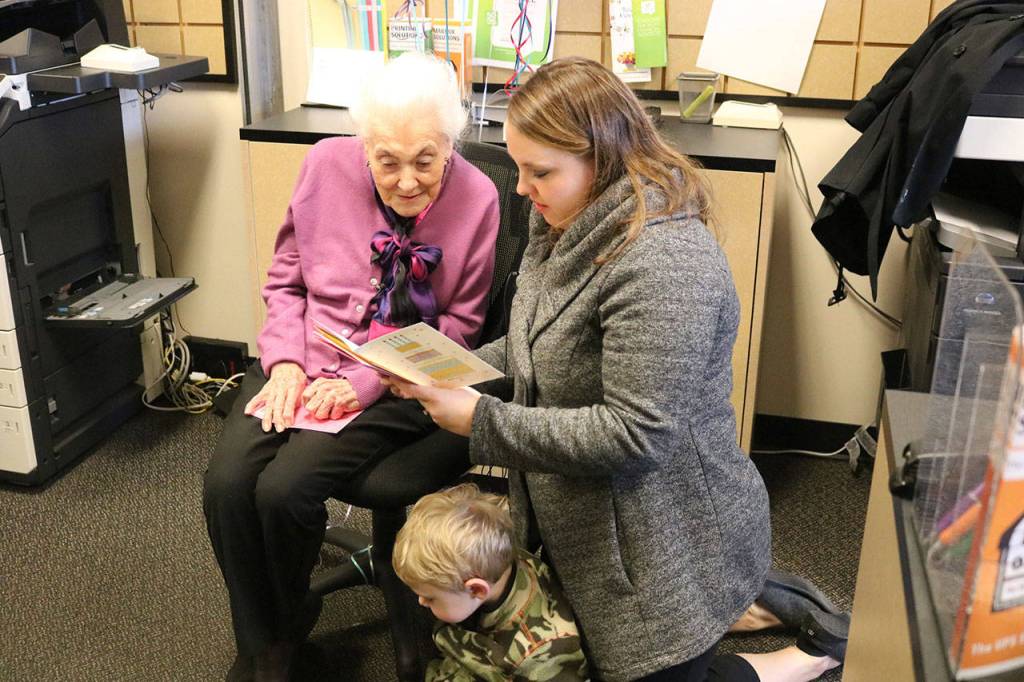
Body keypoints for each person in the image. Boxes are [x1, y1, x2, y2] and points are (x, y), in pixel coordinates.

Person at [388, 57, 845, 682]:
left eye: (538, 171)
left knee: (657, 667)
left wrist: (481, 420)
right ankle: (759, 625)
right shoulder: (561, 219)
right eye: (518, 166)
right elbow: (532, 345)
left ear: (602, 159)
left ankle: (802, 657)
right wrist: (455, 369)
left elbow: (637, 435)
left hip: (665, 540)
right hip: (583, 519)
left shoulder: (664, 262)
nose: (519, 187)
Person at [202, 53, 500, 682]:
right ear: (363, 145)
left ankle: (274, 648)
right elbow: (286, 282)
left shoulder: (479, 197)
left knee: (285, 491)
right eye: (386, 160)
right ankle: (271, 637)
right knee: (227, 484)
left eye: (425, 159)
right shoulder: (323, 165)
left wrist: (364, 383)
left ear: (451, 143)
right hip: (301, 360)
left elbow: (461, 329)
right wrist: (283, 364)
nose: (407, 180)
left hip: (400, 388)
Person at [393, 483, 589, 681]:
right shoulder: (495, 560)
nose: (421, 602)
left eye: (430, 597)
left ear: (476, 589)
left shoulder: (538, 654)